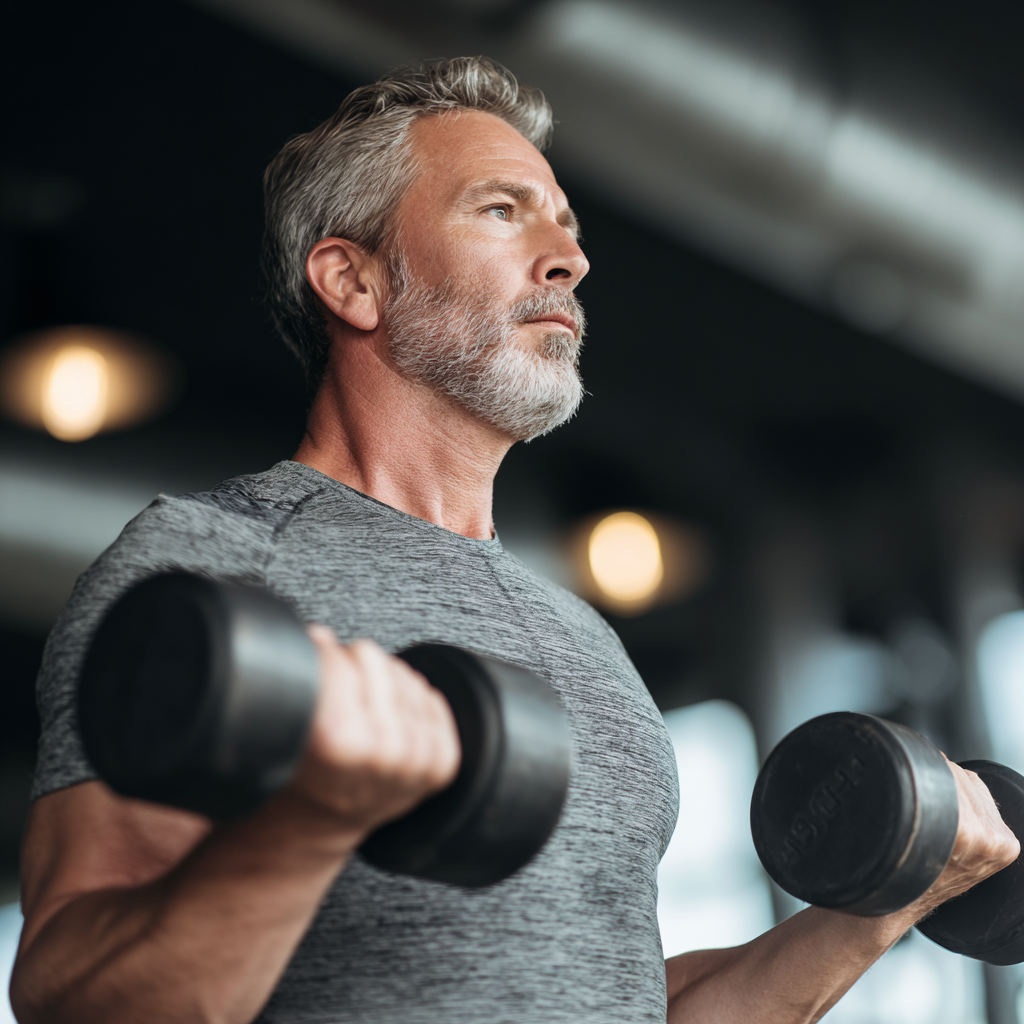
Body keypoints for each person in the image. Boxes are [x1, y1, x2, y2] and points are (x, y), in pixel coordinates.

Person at [10, 56, 1018, 1024]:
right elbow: (72, 993)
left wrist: (885, 904)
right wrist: (310, 821)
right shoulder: (206, 568)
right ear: (351, 282)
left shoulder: (581, 636)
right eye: (502, 210)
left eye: (568, 228)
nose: (569, 258)